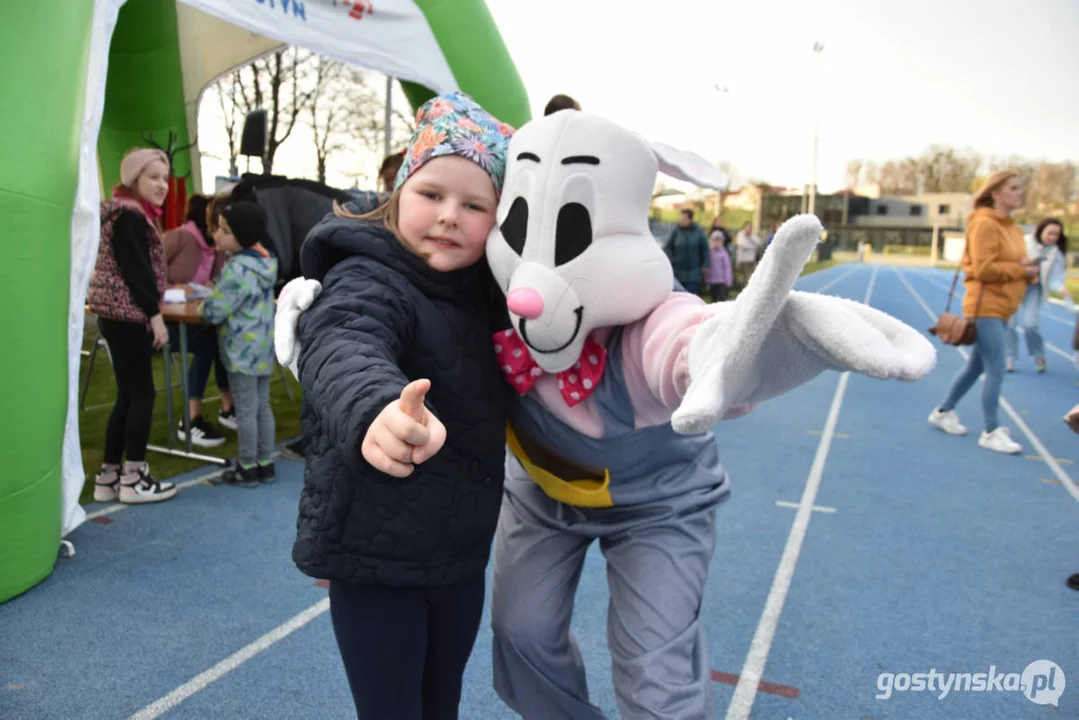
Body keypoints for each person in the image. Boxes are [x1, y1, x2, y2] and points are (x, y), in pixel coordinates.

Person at [291, 92, 512, 718]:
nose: (449, 216)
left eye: (475, 205)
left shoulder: (485, 295)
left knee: (440, 703)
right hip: (376, 557)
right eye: (431, 194)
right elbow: (343, 341)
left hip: (459, 555)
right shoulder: (368, 274)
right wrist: (376, 409)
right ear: (397, 195)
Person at [87, 147, 178, 504]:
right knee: (142, 394)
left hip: (114, 313)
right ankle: (134, 477)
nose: (162, 185)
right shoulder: (130, 216)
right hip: (128, 315)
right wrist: (155, 317)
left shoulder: (124, 213)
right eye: (153, 177)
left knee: (126, 394)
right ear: (133, 179)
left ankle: (108, 477)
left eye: (165, 178)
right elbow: (137, 270)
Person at [928, 170, 1037, 454]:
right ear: (996, 193)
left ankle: (943, 412)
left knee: (977, 365)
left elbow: (1011, 263)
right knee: (996, 367)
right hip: (985, 304)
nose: (1019, 193)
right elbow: (983, 269)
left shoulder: (1013, 227)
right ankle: (990, 430)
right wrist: (1020, 270)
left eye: (1020, 187)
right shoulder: (985, 224)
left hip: (1004, 306)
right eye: (1013, 188)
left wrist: (1028, 271)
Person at [200, 202, 279, 487]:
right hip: (263, 348)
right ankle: (265, 462)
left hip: (241, 351)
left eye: (224, 230)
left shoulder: (238, 270)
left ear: (241, 236)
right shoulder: (265, 263)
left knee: (245, 409)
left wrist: (204, 306)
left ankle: (247, 466)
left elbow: (214, 310)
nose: (217, 236)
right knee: (262, 406)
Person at [163, 193, 235, 446]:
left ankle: (229, 408)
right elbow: (148, 270)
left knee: (220, 338)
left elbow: (214, 280)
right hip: (165, 323)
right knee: (208, 344)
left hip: (196, 318)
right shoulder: (179, 238)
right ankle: (191, 419)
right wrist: (172, 289)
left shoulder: (215, 249)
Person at [1005, 218, 1070, 372]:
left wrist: (1061, 289)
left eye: (1056, 235)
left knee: (1030, 325)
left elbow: (1054, 278)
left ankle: (1038, 356)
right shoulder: (1024, 242)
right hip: (1014, 287)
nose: (1052, 237)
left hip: (1034, 290)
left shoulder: (1057, 254)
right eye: (1050, 233)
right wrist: (1025, 270)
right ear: (1041, 231)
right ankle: (1009, 358)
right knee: (1010, 324)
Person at [662, 209, 709, 294]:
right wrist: (672, 260)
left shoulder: (699, 232)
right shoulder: (676, 231)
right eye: (681, 219)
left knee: (691, 296)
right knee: (679, 296)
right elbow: (667, 247)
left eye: (684, 219)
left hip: (694, 272)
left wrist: (705, 264)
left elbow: (705, 249)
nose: (681, 221)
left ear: (690, 220)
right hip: (678, 271)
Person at [707, 219, 733, 301]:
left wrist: (728, 280)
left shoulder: (724, 253)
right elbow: (707, 266)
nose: (716, 242)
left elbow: (727, 267)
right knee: (713, 299)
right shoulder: (709, 253)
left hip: (721, 281)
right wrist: (707, 278)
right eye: (715, 240)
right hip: (712, 280)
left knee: (722, 298)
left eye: (719, 240)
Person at [734, 221, 762, 286]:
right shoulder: (740, 235)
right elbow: (743, 245)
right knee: (746, 277)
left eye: (750, 227)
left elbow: (759, 243)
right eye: (747, 227)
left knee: (752, 276)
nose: (749, 229)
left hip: (751, 259)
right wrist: (753, 246)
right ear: (744, 227)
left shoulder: (752, 235)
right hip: (743, 260)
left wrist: (750, 237)